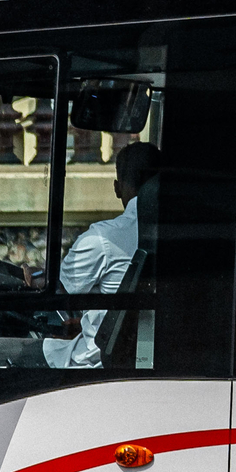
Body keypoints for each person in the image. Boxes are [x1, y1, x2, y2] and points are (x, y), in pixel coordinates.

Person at [45, 141, 161, 370]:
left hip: (93, 361)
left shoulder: (102, 238)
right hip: (137, 354)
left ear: (117, 188)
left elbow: (57, 292)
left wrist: (32, 281)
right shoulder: (181, 232)